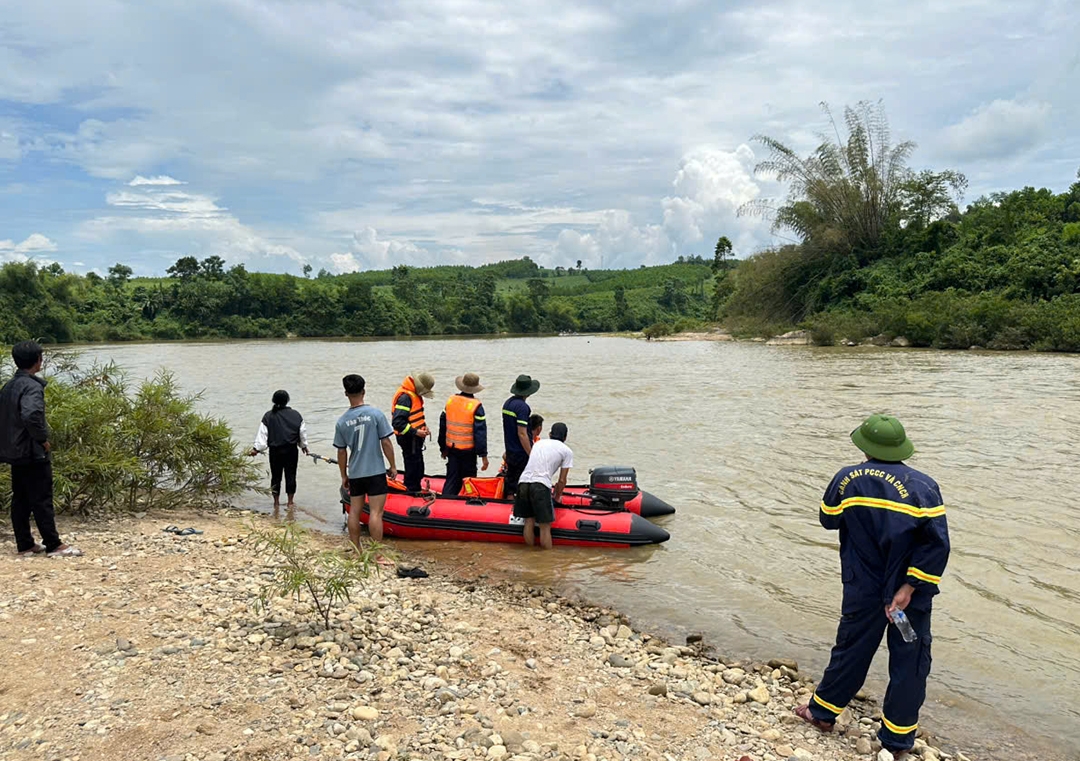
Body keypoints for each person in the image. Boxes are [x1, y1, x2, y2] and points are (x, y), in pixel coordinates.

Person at [795, 414, 950, 757]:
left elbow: (828, 519)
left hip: (862, 583)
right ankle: (896, 741)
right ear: (902, 448)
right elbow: (937, 545)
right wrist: (908, 588)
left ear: (864, 447)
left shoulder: (847, 477)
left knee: (852, 648)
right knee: (910, 660)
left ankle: (821, 713)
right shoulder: (924, 487)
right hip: (910, 594)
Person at [0, 341, 81, 557]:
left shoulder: (8, 386)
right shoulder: (32, 386)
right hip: (31, 451)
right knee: (41, 497)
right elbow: (31, 415)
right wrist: (42, 440)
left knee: (21, 498)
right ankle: (53, 544)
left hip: (14, 452)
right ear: (38, 360)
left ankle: (25, 544)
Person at [333, 374, 397, 547]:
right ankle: (376, 553)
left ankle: (356, 550)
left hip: (355, 472)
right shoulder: (375, 414)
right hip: (375, 471)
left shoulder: (342, 422)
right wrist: (393, 465)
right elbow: (386, 442)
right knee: (376, 513)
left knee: (354, 511)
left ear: (346, 393)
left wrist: (343, 475)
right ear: (364, 391)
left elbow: (341, 451)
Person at [513, 422, 573, 550]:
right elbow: (562, 480)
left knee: (529, 521)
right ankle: (546, 560)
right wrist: (557, 497)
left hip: (523, 482)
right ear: (565, 437)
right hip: (540, 485)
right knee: (545, 527)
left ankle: (530, 554)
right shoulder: (566, 451)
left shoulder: (538, 444)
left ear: (550, 434)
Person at [248, 390, 308, 509]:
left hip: (275, 452)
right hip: (291, 451)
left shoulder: (268, 416)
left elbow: (262, 436)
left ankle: (276, 502)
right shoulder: (296, 415)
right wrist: (304, 446)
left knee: (276, 477)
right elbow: (302, 433)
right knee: (291, 475)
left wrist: (256, 449)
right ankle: (290, 502)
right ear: (287, 401)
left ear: (274, 401)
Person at [438, 372, 488, 497]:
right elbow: (480, 432)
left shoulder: (450, 401)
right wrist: (483, 456)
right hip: (468, 452)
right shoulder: (476, 406)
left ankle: (445, 502)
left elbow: (442, 426)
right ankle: (466, 508)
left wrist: (443, 448)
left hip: (452, 449)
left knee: (451, 478)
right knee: (468, 481)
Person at [391, 372, 435, 493]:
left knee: (418, 466)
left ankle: (415, 486)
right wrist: (415, 432)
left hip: (415, 439)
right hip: (408, 439)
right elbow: (398, 423)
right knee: (412, 466)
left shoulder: (413, 395)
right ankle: (411, 490)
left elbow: (414, 417)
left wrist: (424, 427)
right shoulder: (405, 398)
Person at [501, 374, 540, 496]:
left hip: (510, 449)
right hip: (520, 452)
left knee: (511, 482)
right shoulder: (523, 407)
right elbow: (522, 433)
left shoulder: (507, 403)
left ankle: (508, 505)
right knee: (521, 483)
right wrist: (531, 453)